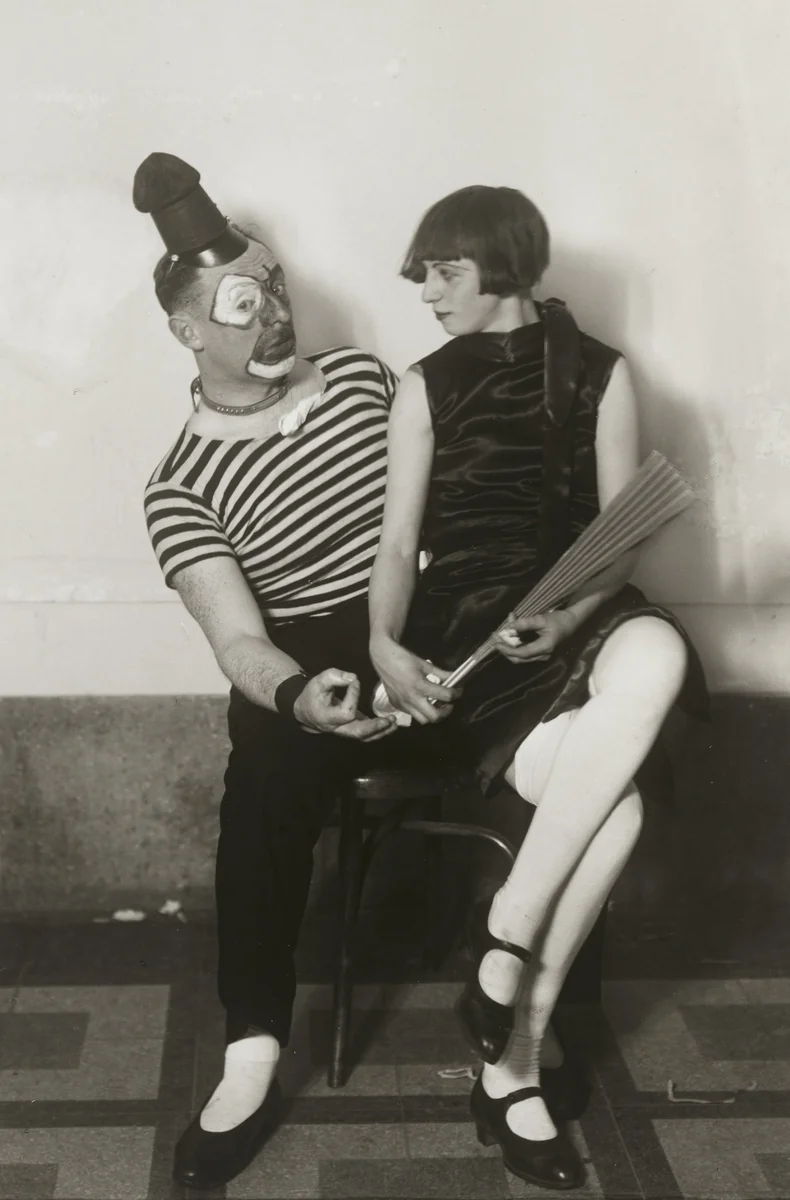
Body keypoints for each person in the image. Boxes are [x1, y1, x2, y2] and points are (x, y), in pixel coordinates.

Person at [369, 185, 708, 1191]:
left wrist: (565, 617)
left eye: (445, 271)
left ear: (506, 266)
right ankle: (510, 1064)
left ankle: (503, 933)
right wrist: (384, 645)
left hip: (578, 613)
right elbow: (395, 544)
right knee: (621, 809)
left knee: (660, 656)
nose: (425, 292)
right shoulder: (423, 385)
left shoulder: (602, 373)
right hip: (467, 633)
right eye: (421, 272)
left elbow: (618, 531)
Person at [134, 152, 457, 1190]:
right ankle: (253, 1049)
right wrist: (296, 693)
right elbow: (236, 639)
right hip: (308, 648)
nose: (273, 312)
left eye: (274, 286)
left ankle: (522, 1010)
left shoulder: (364, 376)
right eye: (242, 302)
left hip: (436, 617)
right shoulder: (180, 482)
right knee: (264, 760)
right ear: (188, 330)